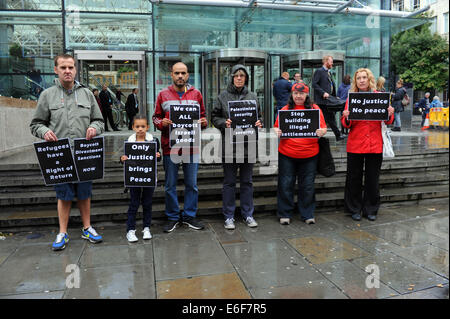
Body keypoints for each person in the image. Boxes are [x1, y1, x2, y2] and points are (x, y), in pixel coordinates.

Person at [30, 53, 105, 251]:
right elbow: (36, 124)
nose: (67, 71)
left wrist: (94, 128)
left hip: (83, 154)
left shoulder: (87, 94)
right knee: (63, 195)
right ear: (56, 70)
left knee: (84, 193)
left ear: (75, 69)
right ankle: (62, 232)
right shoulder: (47, 95)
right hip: (60, 155)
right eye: (63, 67)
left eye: (70, 67)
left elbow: (99, 121)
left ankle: (87, 228)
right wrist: (44, 131)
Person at [152, 61, 208, 233]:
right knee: (170, 185)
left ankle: (190, 215)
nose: (180, 76)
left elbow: (203, 117)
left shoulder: (196, 94)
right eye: (177, 73)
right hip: (171, 147)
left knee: (192, 184)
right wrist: (162, 123)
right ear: (172, 75)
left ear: (188, 75)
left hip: (191, 147)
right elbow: (155, 118)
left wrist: (204, 123)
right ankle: (173, 217)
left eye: (183, 73)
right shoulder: (163, 94)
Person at [211, 64, 263, 230]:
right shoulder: (223, 97)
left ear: (246, 78)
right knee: (229, 182)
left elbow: (259, 117)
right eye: (236, 75)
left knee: (247, 182)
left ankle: (248, 214)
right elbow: (214, 117)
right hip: (229, 146)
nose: (239, 78)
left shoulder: (253, 97)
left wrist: (259, 122)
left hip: (248, 145)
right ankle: (229, 216)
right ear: (232, 77)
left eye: (242, 75)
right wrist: (222, 123)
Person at [341, 68, 394, 222]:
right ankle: (354, 208)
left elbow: (387, 121)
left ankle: (371, 209)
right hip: (356, 144)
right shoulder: (352, 98)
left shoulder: (380, 97)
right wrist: (346, 117)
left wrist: (390, 113)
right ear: (355, 81)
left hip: (375, 144)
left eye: (364, 77)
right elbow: (346, 123)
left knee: (373, 179)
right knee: (354, 178)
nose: (362, 80)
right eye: (359, 78)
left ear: (369, 79)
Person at [273, 83, 327, 225]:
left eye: (301, 94)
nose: (298, 96)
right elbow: (276, 126)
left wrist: (322, 131)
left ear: (306, 95)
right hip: (287, 153)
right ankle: (285, 213)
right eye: (296, 93)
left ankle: (307, 213)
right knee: (285, 184)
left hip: (309, 154)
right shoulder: (285, 109)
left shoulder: (315, 109)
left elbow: (324, 127)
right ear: (292, 94)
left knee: (308, 185)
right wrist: (276, 131)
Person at [120, 115, 161, 242]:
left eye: (143, 126)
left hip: (148, 177)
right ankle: (130, 230)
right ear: (133, 127)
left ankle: (146, 228)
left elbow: (157, 159)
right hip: (134, 178)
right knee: (134, 203)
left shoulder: (153, 140)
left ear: (147, 127)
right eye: (137, 126)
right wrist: (122, 159)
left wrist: (158, 156)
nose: (140, 129)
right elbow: (125, 159)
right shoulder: (129, 141)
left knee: (147, 203)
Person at [312, 55, 345, 141]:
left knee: (330, 117)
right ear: (326, 62)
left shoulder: (328, 72)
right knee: (329, 118)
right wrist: (323, 93)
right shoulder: (319, 71)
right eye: (331, 61)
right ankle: (337, 135)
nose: (332, 63)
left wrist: (334, 96)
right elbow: (314, 84)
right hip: (322, 101)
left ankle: (337, 135)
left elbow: (330, 86)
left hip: (328, 100)